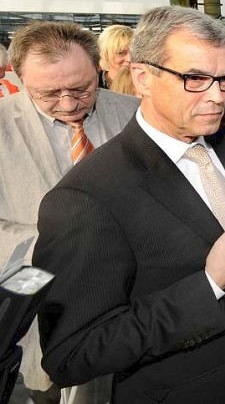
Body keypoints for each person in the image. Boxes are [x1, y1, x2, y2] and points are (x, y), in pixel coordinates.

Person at [33, 7, 225, 404]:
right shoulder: (86, 197)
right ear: (143, 76)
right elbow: (74, 354)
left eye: (224, 79)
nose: (218, 96)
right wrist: (208, 284)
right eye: (196, 79)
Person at [0, 21, 138, 404]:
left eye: (81, 88)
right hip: (33, 284)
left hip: (124, 289)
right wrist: (59, 249)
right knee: (45, 384)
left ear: (99, 69)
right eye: (47, 93)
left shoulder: (135, 114)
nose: (67, 103)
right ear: (19, 76)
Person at [97, 24, 133, 89]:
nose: (130, 59)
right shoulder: (93, 84)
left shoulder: (145, 83)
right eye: (121, 53)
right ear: (105, 54)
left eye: (133, 52)